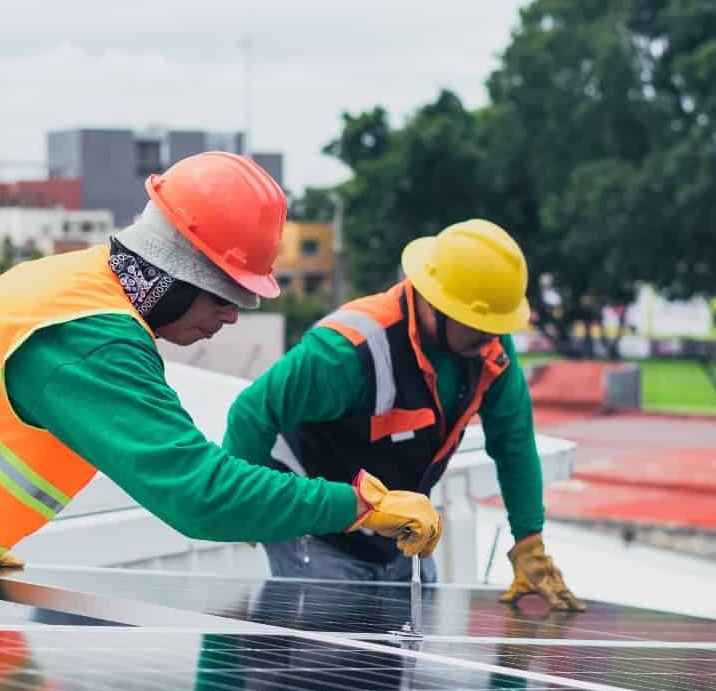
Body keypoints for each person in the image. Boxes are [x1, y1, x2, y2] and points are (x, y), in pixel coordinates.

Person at [0, 152, 442, 622]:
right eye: (228, 294)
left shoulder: (73, 281)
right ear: (179, 271)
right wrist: (357, 505)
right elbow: (198, 496)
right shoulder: (92, 340)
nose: (233, 315)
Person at [223, 218, 584, 611]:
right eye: (481, 325)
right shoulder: (348, 350)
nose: (492, 338)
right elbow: (251, 412)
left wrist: (529, 542)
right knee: (330, 654)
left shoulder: (488, 352)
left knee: (403, 652)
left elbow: (514, 443)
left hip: (400, 532)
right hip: (319, 530)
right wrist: (246, 508)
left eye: (497, 327)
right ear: (437, 304)